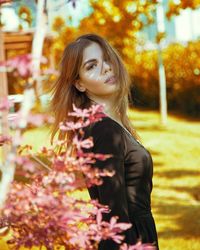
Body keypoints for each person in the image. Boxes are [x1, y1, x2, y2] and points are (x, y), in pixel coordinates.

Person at [50, 33, 159, 250]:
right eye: (91, 66)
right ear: (79, 84)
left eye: (106, 59)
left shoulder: (107, 125)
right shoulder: (104, 131)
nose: (106, 68)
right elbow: (114, 220)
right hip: (132, 241)